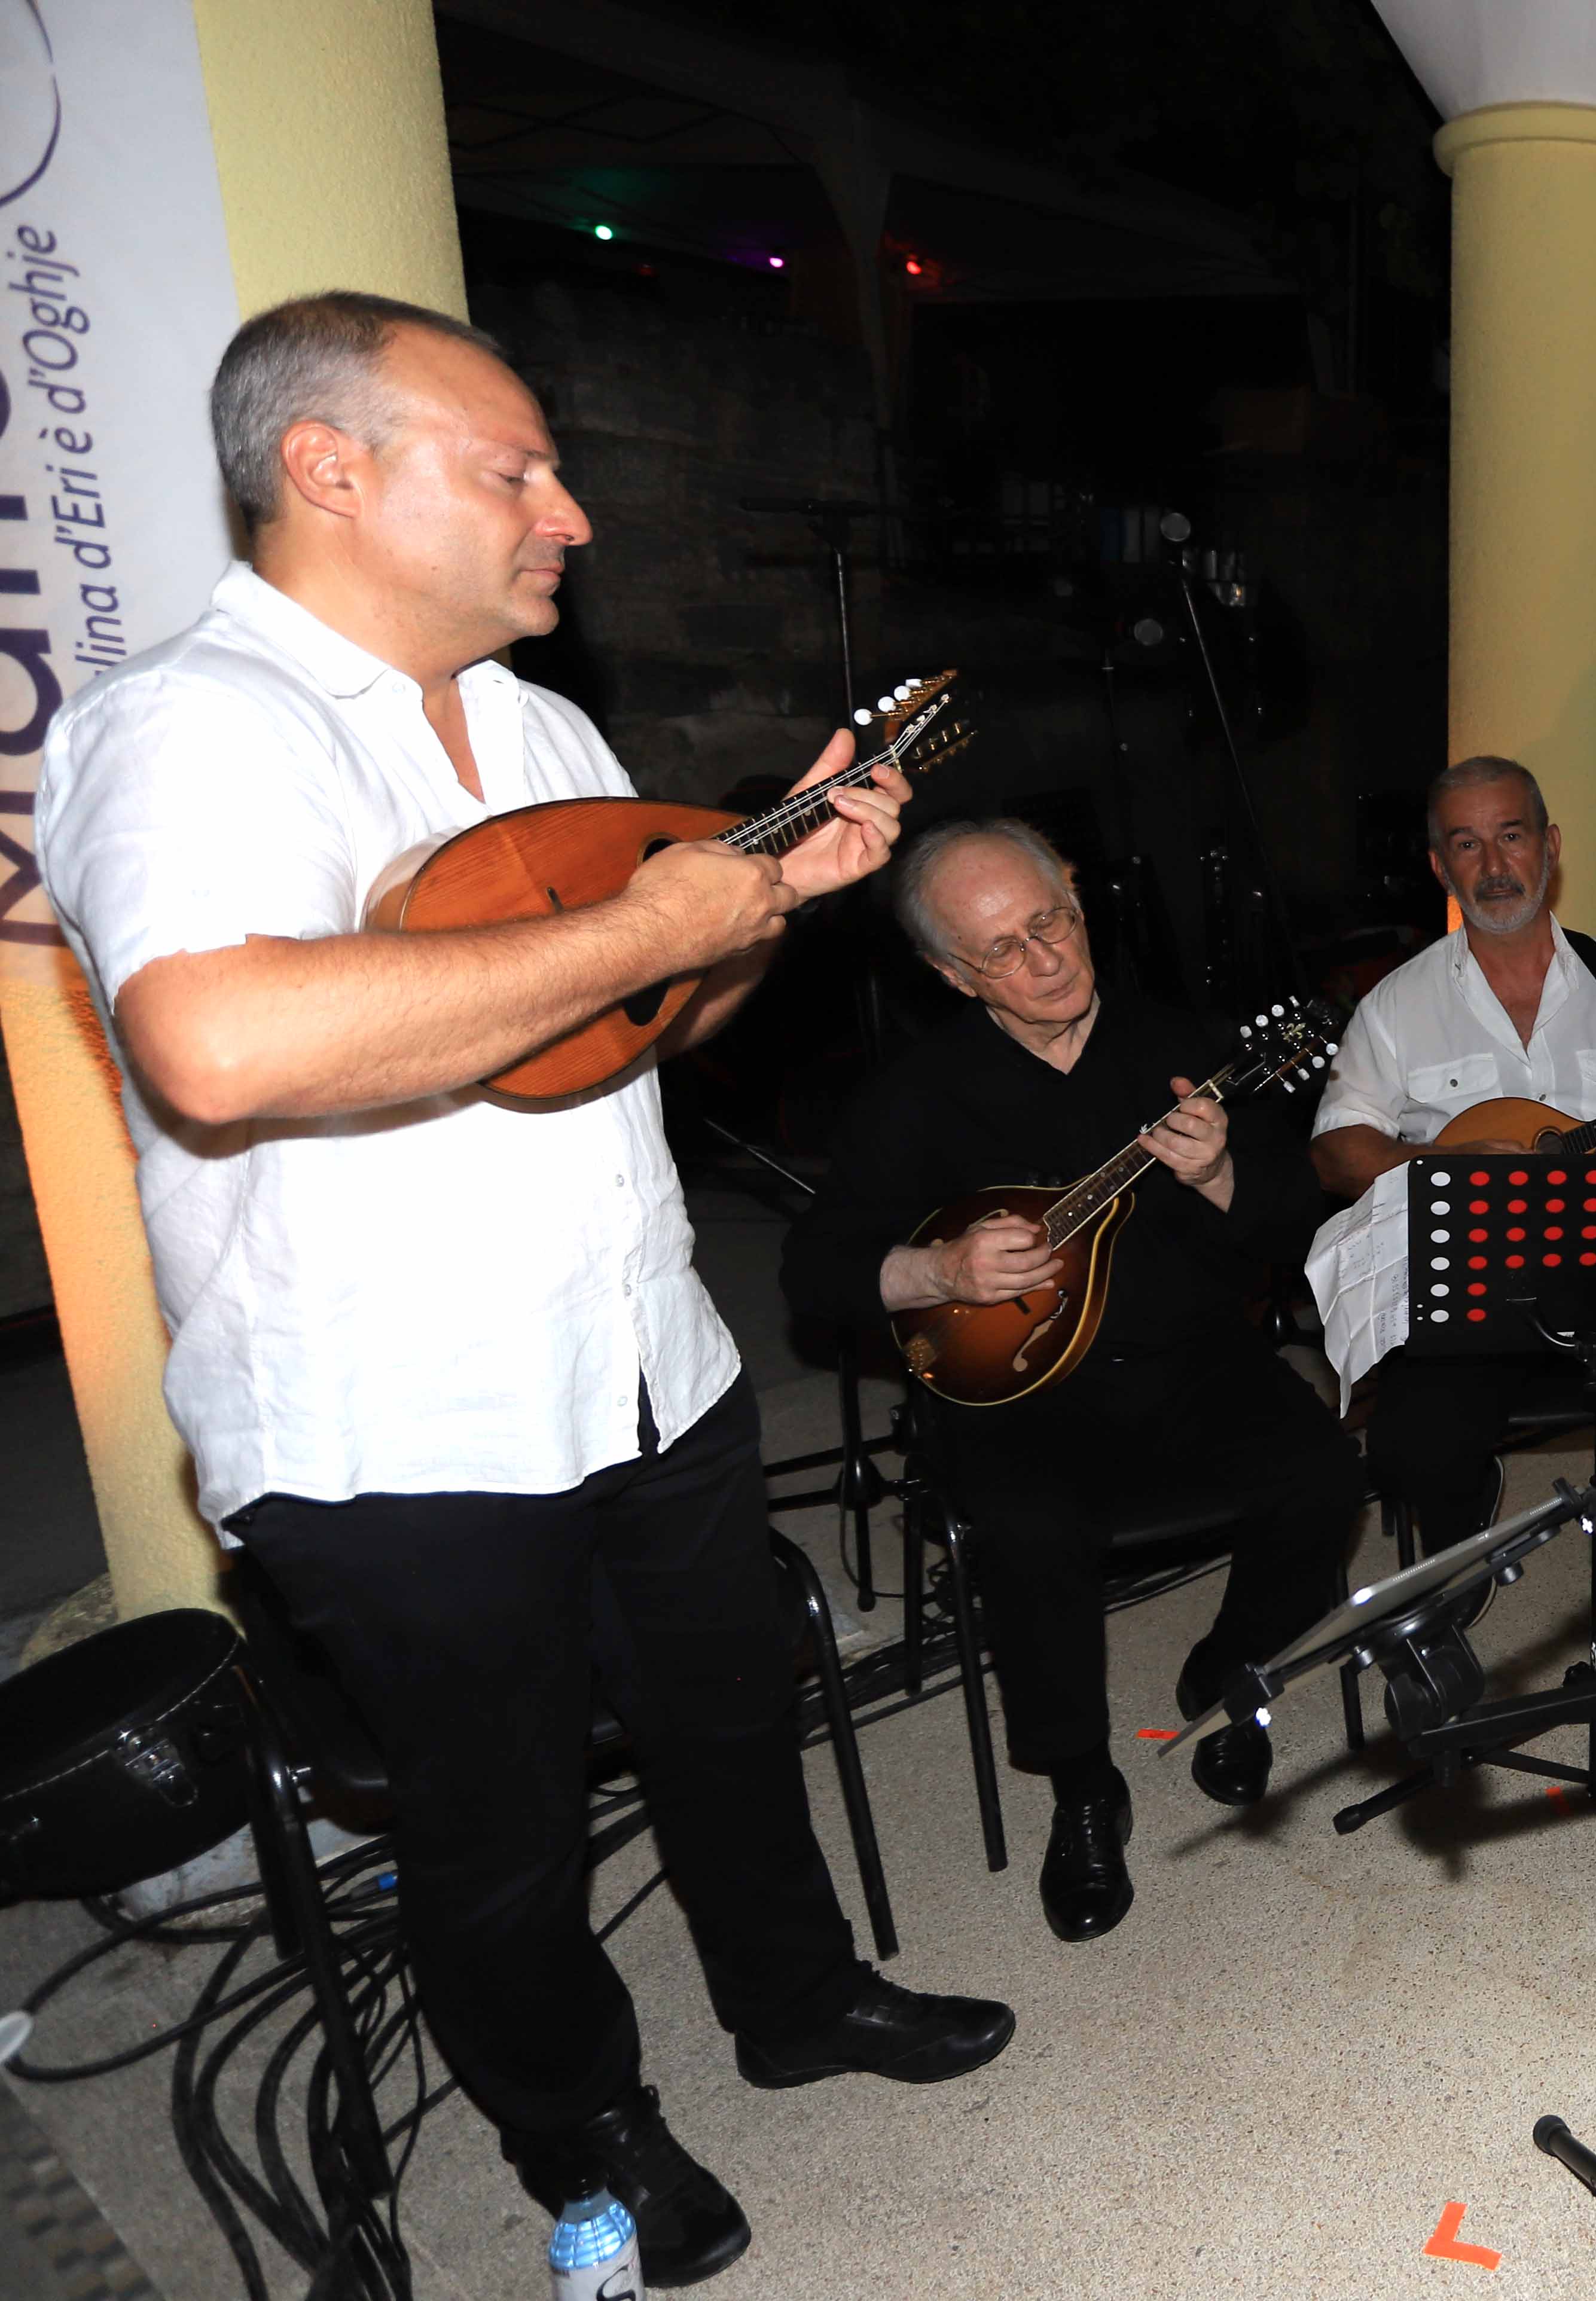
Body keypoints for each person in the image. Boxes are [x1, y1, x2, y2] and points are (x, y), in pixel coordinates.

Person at [32, 292, 1009, 2287]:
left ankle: (799, 1995)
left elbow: (637, 1010)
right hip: (401, 1421)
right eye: (514, 469)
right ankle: (588, 2121)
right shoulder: (196, 725)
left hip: (643, 1352)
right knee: (503, 1833)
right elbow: (215, 1043)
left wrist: (765, 900)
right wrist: (651, 913)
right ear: (331, 470)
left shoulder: (545, 725)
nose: (567, 511)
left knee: (732, 1718)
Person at [782, 822, 1359, 1945]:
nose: (1045, 957)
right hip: (1014, 1396)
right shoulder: (917, 1098)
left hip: (1193, 1362)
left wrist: (1225, 1170)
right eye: (1003, 948)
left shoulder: (1191, 1049)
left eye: (1052, 920)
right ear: (954, 974)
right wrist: (934, 1268)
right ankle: (1084, 1782)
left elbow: (1295, 1224)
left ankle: (1234, 1663)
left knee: (1325, 1471)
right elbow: (813, 1267)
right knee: (1028, 1533)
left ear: (1080, 900)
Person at [1308, 756, 1596, 1551]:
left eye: (1512, 836)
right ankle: (1466, 1529)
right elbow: (1335, 1153)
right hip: (1475, 1290)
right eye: (1467, 844)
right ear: (1438, 865)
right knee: (1410, 1444)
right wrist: (1434, 1168)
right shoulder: (1397, 1005)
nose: (1494, 866)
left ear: (1550, 846)